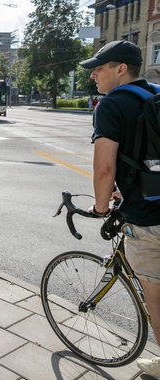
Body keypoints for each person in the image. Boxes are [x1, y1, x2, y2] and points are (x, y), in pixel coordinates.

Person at [80, 40, 160, 377]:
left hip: (148, 216)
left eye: (100, 67)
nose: (94, 74)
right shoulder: (156, 93)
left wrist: (100, 207)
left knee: (156, 293)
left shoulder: (111, 105)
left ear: (121, 69)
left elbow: (103, 169)